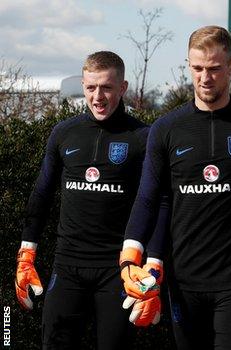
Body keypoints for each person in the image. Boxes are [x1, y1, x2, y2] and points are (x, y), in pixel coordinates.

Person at [119, 25, 231, 349]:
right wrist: (130, 258)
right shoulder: (166, 129)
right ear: (189, 65)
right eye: (198, 68)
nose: (205, 77)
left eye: (215, 68)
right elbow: (150, 198)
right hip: (184, 279)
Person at [14, 51, 165, 349]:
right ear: (82, 85)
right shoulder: (64, 133)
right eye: (91, 87)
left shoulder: (143, 137)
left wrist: (154, 268)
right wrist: (26, 254)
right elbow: (42, 193)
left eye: (107, 87)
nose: (98, 96)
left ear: (122, 88)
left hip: (118, 271)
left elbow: (158, 203)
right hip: (67, 265)